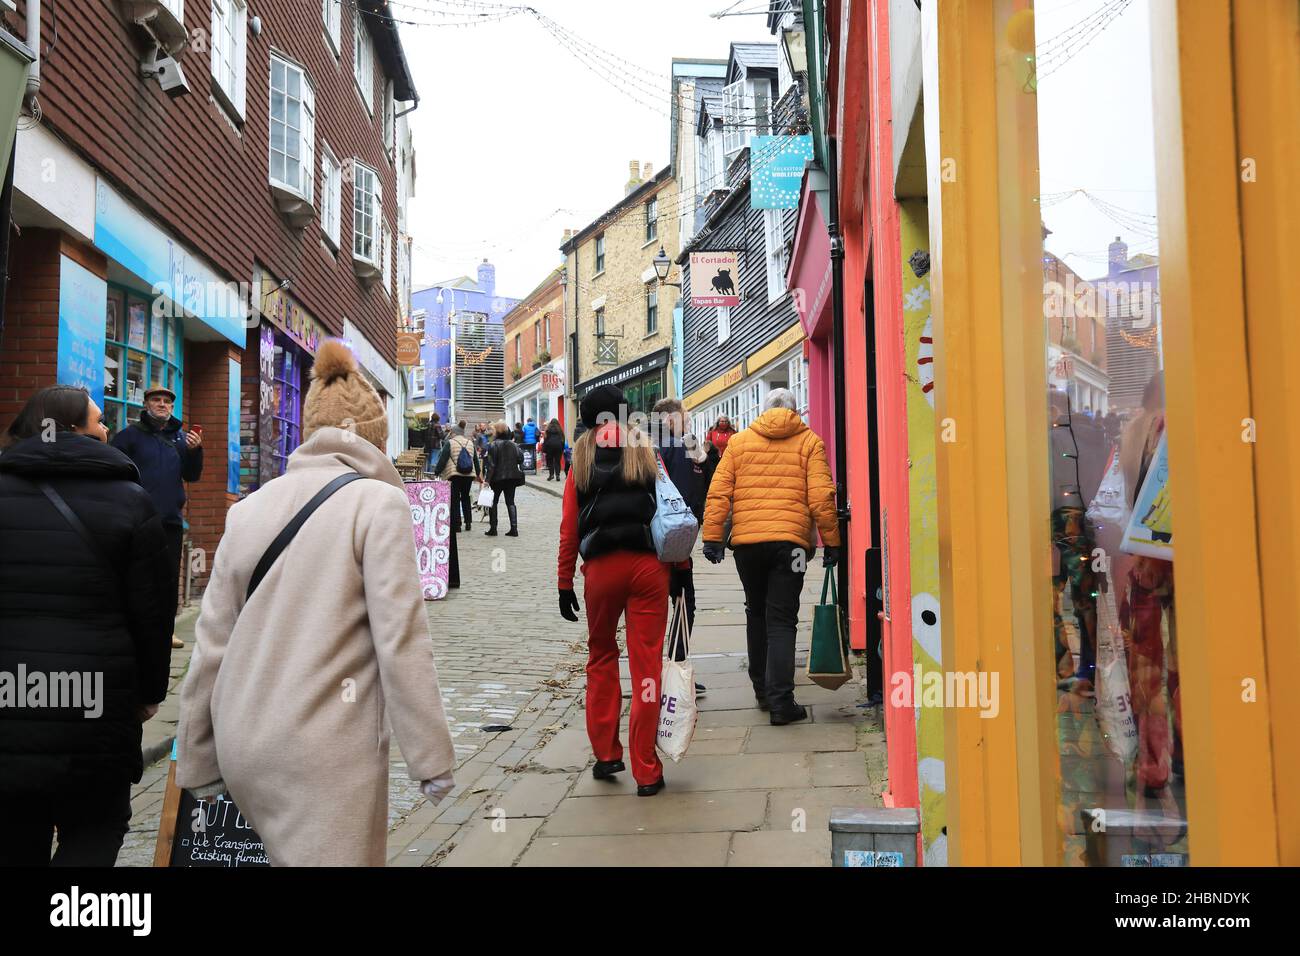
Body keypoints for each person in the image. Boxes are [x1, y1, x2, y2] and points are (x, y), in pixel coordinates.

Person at [174, 340, 456, 866]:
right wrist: (431, 758)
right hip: (325, 751)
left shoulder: (248, 511)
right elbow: (401, 640)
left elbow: (211, 645)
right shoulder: (377, 504)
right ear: (373, 438)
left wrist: (197, 759)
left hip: (244, 744)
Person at [0, 386, 173, 866]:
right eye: (98, 421)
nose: (105, 430)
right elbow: (153, 614)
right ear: (72, 428)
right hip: (97, 700)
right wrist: (149, 693)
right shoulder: (131, 502)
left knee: (15, 830)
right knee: (96, 823)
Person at [557, 385, 681, 796]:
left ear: (589, 420)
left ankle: (607, 753)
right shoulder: (645, 449)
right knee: (647, 665)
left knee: (601, 656)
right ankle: (646, 770)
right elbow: (671, 509)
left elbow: (569, 529)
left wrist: (563, 582)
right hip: (648, 568)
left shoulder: (580, 458)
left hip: (601, 571)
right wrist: (680, 567)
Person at [701, 389, 840, 725]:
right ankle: (782, 702)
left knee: (756, 612)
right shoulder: (810, 442)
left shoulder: (739, 442)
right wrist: (831, 540)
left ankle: (762, 690)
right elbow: (822, 496)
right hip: (790, 547)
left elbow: (719, 492)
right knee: (782, 619)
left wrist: (713, 537)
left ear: (763, 411)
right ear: (794, 411)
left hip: (748, 546)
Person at [111, 385, 202, 648]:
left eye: (167, 402)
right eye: (156, 400)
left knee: (168, 578)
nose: (162, 404)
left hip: (170, 521)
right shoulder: (129, 437)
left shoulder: (181, 439)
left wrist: (196, 452)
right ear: (146, 405)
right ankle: (132, 629)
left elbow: (192, 475)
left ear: (172, 408)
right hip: (136, 519)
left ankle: (165, 631)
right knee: (135, 575)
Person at [653, 397, 708, 697]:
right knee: (684, 604)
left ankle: (650, 676)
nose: (688, 421)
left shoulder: (643, 446)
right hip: (675, 543)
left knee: (652, 610)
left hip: (649, 543)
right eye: (684, 417)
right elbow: (692, 495)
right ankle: (675, 672)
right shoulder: (678, 447)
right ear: (671, 419)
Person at [434, 420, 480, 532]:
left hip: (454, 474)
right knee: (466, 497)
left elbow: (443, 459)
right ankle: (468, 522)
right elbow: (475, 460)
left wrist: (437, 471)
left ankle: (457, 524)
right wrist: (477, 473)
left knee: (454, 499)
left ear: (454, 433)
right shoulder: (470, 443)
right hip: (468, 474)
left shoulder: (450, 443)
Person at [485, 420, 524, 536]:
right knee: (510, 502)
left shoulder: (493, 445)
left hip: (497, 478)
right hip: (512, 477)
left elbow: (491, 465)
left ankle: (493, 528)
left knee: (494, 502)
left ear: (497, 431)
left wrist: (487, 480)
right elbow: (521, 459)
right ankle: (514, 528)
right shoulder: (514, 445)